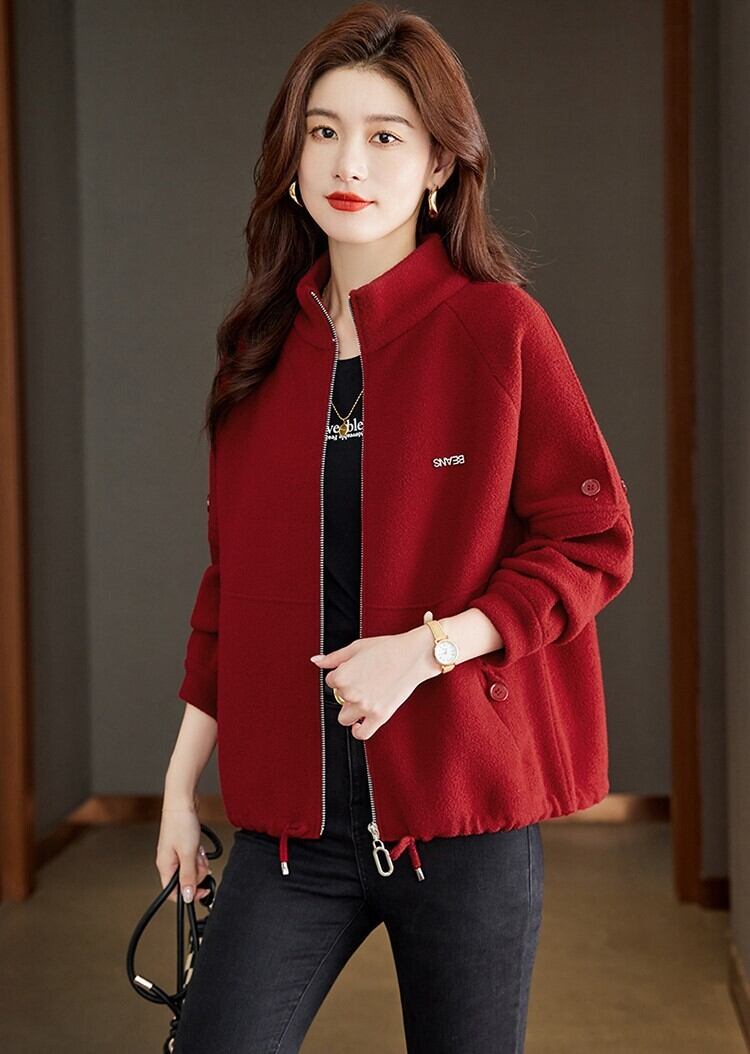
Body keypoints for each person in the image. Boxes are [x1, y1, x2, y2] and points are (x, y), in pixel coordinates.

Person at [158, 4, 635, 1051]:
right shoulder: (258, 352)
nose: (349, 163)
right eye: (324, 131)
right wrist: (181, 786)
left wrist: (426, 650)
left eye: (386, 136)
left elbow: (592, 539)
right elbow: (228, 585)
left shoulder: (500, 331)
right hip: (291, 835)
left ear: (439, 167)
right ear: (291, 163)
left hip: (464, 824)